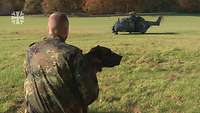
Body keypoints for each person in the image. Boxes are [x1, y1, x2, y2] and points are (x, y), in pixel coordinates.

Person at [24, 12, 98, 113]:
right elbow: (90, 94)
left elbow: (28, 78)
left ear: (49, 29)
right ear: (66, 30)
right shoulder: (72, 53)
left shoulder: (31, 51)